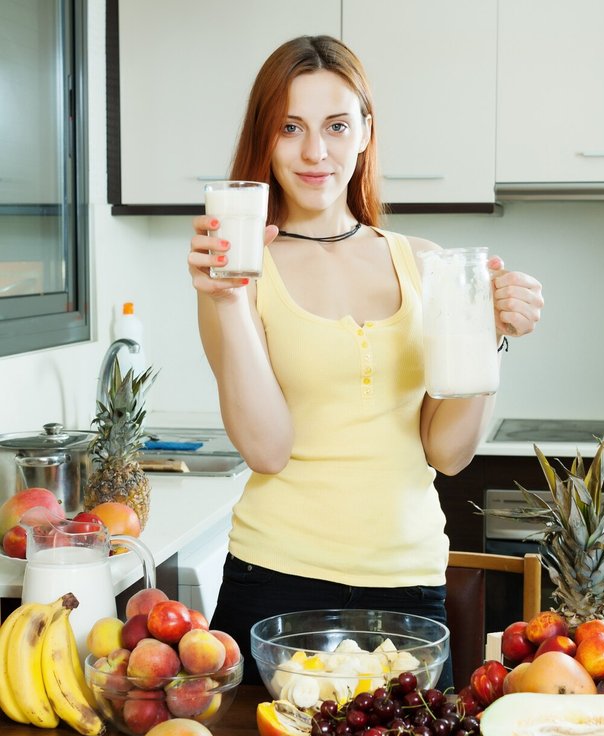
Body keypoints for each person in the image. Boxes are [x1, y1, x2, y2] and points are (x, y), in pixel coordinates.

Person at [188, 35, 544, 689]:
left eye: (335, 125)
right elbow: (266, 448)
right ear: (265, 138)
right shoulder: (234, 272)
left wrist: (489, 335)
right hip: (273, 583)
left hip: (407, 589)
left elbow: (448, 450)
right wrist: (231, 300)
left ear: (365, 132)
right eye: (290, 127)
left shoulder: (425, 262)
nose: (315, 151)